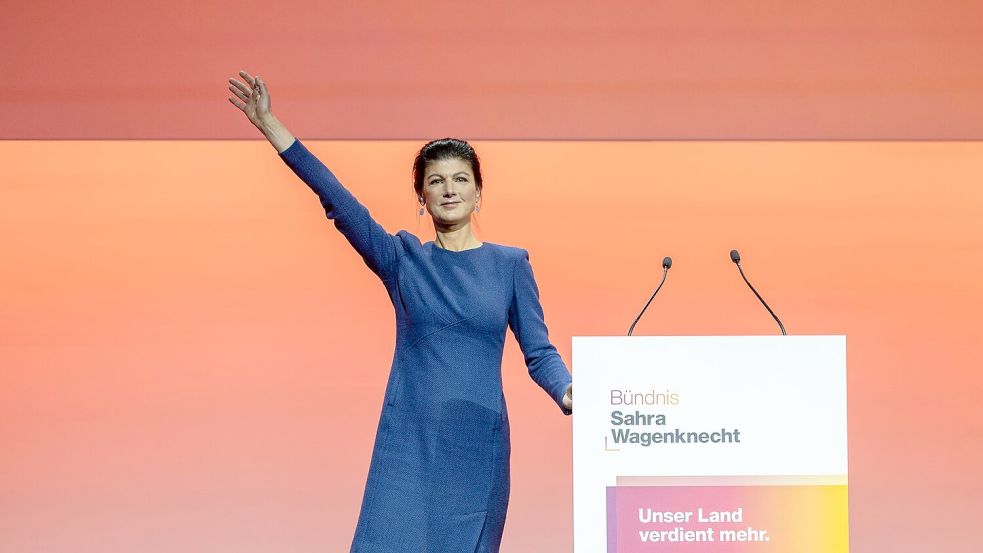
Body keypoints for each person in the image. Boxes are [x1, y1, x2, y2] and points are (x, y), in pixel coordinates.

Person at [227, 70, 573, 553]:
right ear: (421, 196)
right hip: (409, 447)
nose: (449, 189)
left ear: (478, 192)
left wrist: (568, 390)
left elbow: (539, 352)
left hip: (476, 445)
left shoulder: (510, 264)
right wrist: (273, 128)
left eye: (460, 180)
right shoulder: (403, 261)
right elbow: (340, 202)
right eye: (436, 181)